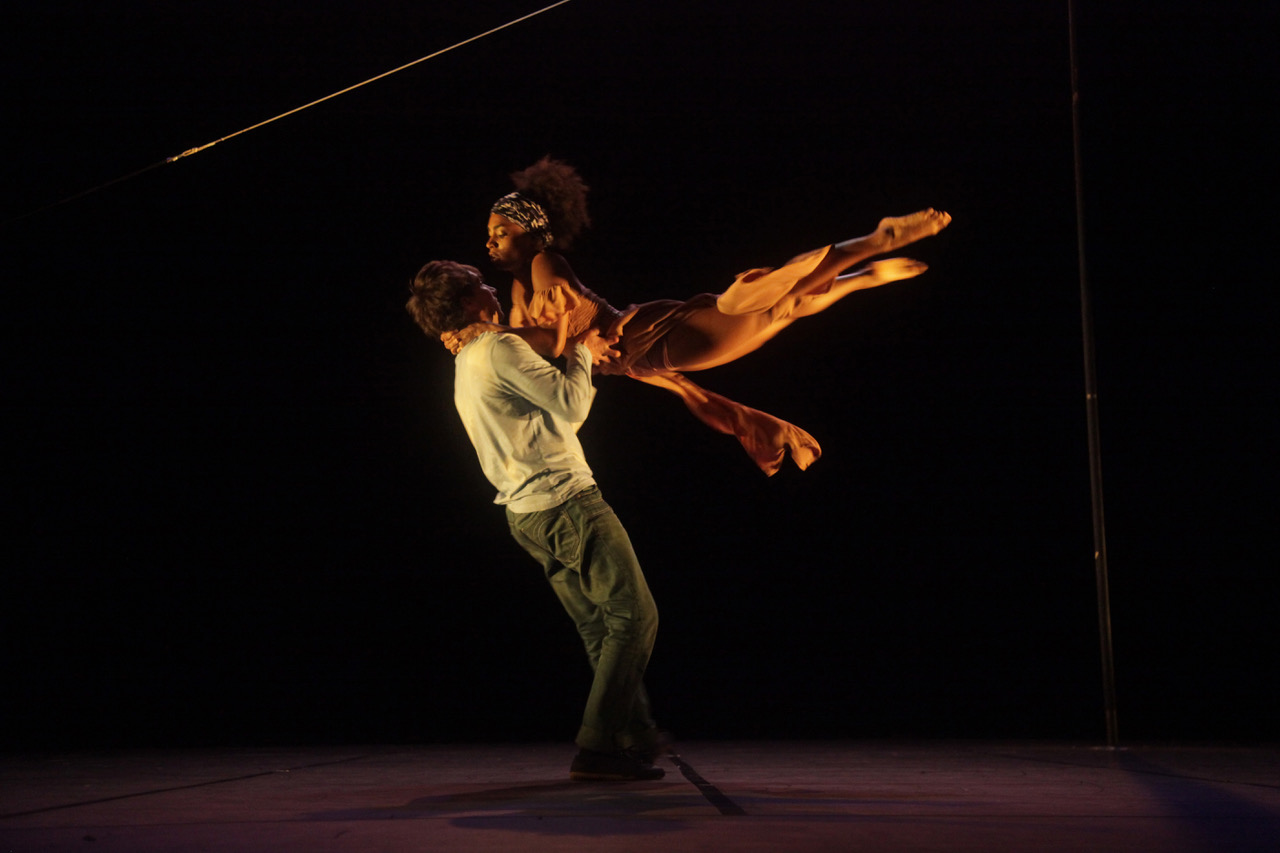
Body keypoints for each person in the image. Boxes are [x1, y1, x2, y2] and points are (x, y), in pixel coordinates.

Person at [446, 157, 951, 475]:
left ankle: (873, 241)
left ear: (532, 234)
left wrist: (482, 330)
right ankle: (862, 275)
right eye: (489, 234)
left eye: (501, 231)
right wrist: (485, 332)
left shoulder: (542, 263)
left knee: (753, 303)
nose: (490, 241)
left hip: (656, 338)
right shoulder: (517, 286)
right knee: (779, 307)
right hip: (647, 358)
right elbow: (527, 347)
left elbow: (552, 336)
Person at [407, 259, 666, 782]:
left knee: (599, 628)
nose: (490, 288)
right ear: (466, 303)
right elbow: (571, 406)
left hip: (527, 516)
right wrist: (582, 353)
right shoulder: (496, 348)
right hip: (567, 503)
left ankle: (632, 738)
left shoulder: (468, 361)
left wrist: (572, 349)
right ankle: (597, 747)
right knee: (635, 617)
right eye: (479, 285)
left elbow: (547, 415)